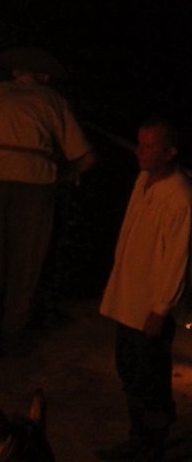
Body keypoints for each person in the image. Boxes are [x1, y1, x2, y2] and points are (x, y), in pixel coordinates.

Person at [0, 47, 96, 363]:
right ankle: (12, 335)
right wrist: (64, 176)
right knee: (26, 263)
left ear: (16, 71)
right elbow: (85, 158)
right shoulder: (52, 101)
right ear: (43, 76)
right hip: (35, 185)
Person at [97, 118, 192, 462]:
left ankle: (150, 445)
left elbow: (177, 259)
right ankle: (139, 440)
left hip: (151, 308)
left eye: (150, 146)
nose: (141, 152)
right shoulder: (142, 181)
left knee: (149, 379)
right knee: (130, 372)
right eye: (140, 143)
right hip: (129, 299)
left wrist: (161, 307)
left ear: (170, 152)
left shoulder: (180, 197)